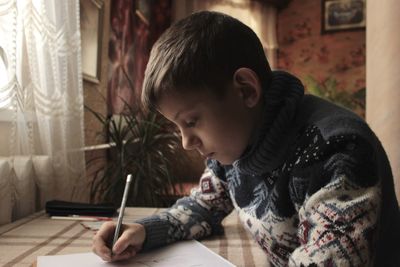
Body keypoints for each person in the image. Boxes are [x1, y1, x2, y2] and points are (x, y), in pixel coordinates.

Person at [92, 11, 400, 266]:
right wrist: (144, 230)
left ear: (245, 91)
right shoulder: (232, 146)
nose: (187, 142)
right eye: (178, 127)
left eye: (191, 121)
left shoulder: (338, 150)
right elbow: (205, 206)